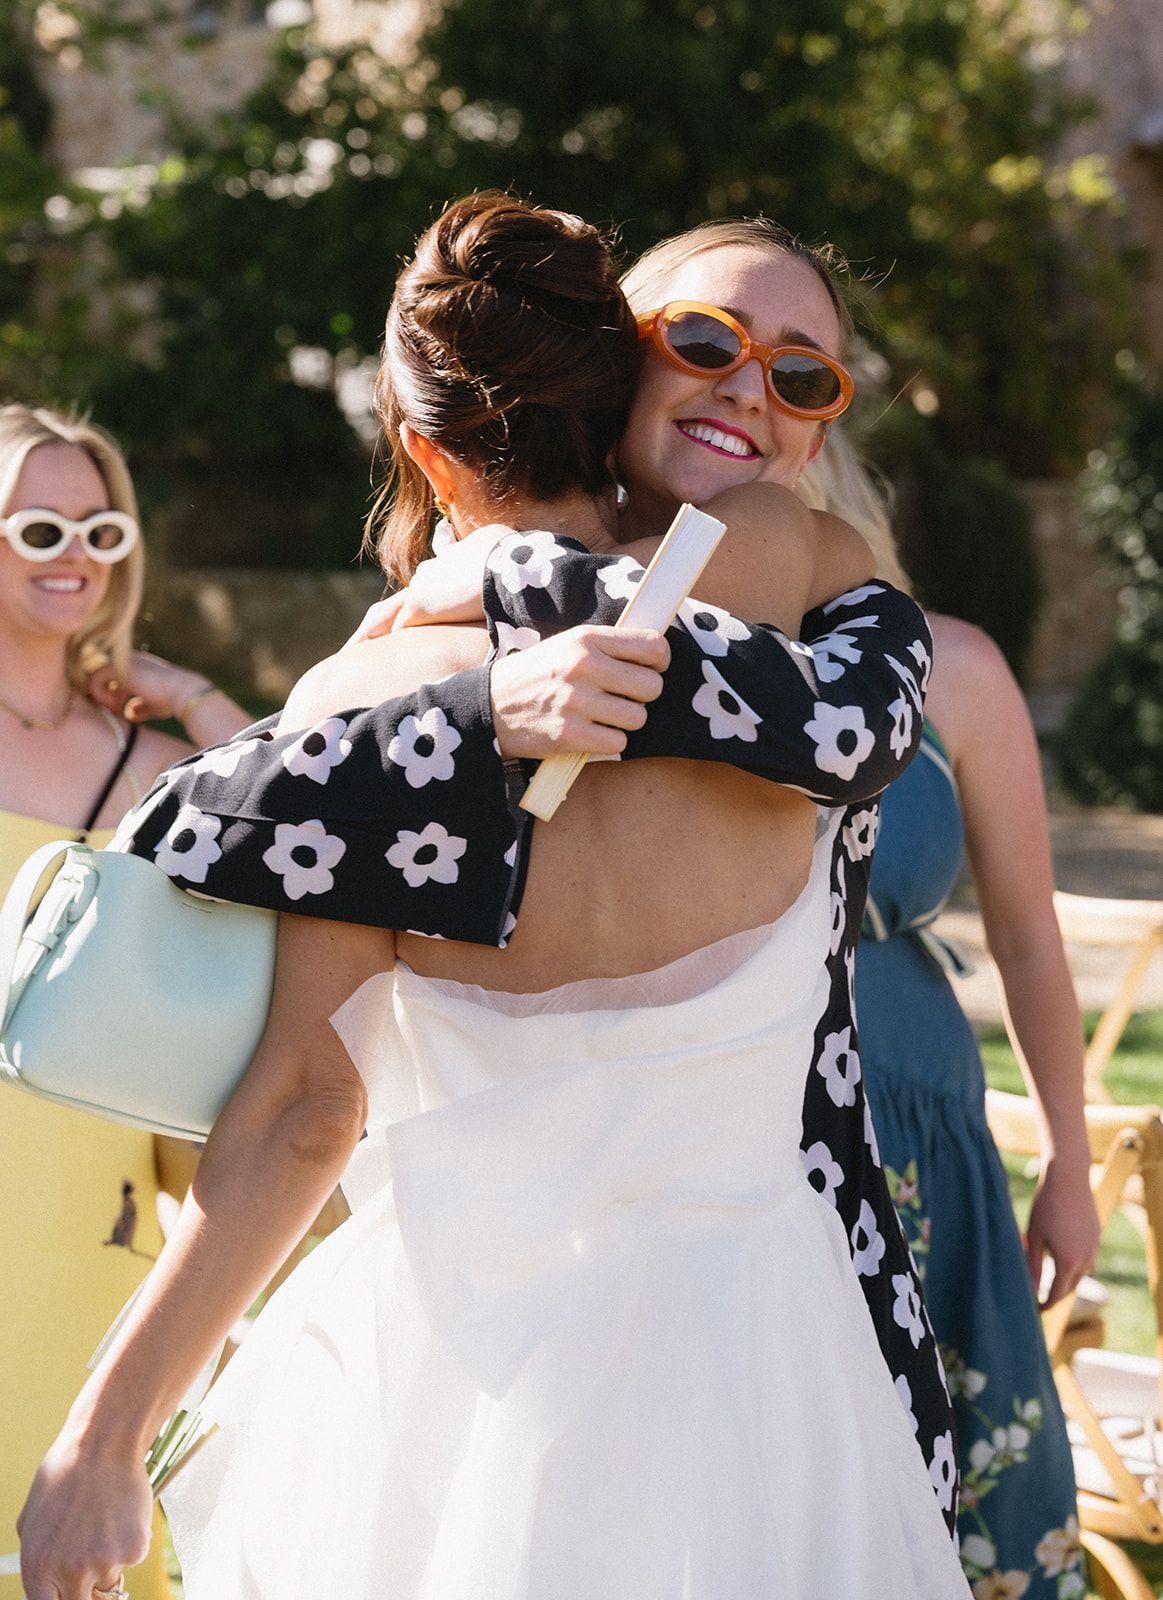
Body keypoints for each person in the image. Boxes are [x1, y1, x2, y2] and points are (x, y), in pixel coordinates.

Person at [18, 195, 966, 1599]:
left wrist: (102, 1440)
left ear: (418, 448)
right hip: (775, 1371)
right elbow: (858, 695)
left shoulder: (364, 705)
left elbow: (301, 1117)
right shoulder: (783, 562)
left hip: (446, 1385)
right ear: (619, 385)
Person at [798, 430, 1095, 1599]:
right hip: (737, 1131)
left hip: (920, 1122)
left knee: (959, 1500)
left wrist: (1066, 1162)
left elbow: (1025, 940)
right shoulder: (659, 657)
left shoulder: (949, 670)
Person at [0, 404, 256, 1600]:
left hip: (99, 1222)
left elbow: (290, 858)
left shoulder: (151, 766)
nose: (77, 556)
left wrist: (194, 697)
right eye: (41, 524)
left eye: (101, 529)